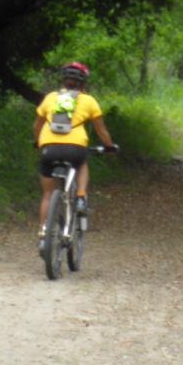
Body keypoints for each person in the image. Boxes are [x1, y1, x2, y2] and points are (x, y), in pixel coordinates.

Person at [33, 62, 116, 241]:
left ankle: (43, 232)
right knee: (82, 162)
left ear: (63, 80)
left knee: (47, 193)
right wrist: (109, 146)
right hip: (75, 149)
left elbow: (37, 126)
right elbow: (102, 131)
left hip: (48, 148)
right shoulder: (89, 101)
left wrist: (36, 142)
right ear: (83, 83)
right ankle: (80, 196)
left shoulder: (50, 98)